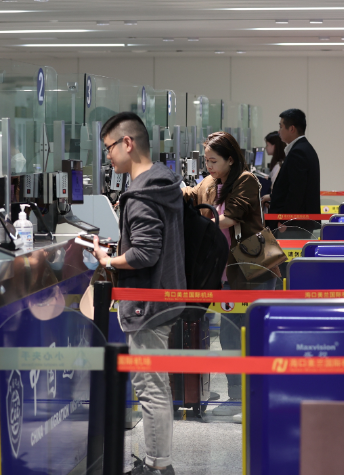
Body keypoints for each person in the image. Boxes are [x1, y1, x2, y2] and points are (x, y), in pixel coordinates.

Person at [93, 112, 184, 475]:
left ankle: (158, 466)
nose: (108, 156)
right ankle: (157, 460)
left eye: (109, 148)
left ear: (127, 143)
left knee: (150, 387)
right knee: (156, 383)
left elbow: (146, 252)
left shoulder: (142, 194)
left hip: (147, 304)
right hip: (164, 296)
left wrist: (109, 260)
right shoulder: (161, 183)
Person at [183, 131, 279, 417]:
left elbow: (229, 217)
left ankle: (256, 398)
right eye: (206, 160)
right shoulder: (210, 183)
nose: (209, 166)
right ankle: (237, 397)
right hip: (226, 272)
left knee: (253, 335)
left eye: (213, 161)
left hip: (254, 270)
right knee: (229, 335)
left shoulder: (246, 180)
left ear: (231, 159)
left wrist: (202, 222)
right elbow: (191, 195)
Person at [266, 108, 321, 235]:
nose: (279, 131)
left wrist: (285, 220)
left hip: (295, 225)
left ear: (291, 129)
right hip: (297, 222)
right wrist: (272, 197)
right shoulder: (303, 148)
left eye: (281, 127)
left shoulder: (298, 152)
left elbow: (296, 191)